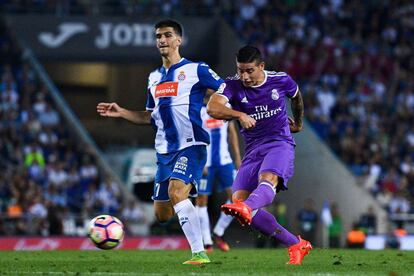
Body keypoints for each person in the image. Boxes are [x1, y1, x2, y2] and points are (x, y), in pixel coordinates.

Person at [97, 19, 225, 265]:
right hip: (164, 151)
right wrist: (122, 112)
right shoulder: (154, 78)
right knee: (163, 214)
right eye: (158, 36)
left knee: (177, 192)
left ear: (178, 40)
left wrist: (236, 110)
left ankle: (200, 254)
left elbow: (226, 89)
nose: (162, 40)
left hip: (192, 144)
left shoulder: (197, 70)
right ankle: (189, 193)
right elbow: (149, 117)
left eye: (167, 35)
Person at [207, 45, 311, 265]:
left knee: (268, 180)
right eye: (240, 70)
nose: (244, 76)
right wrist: (239, 114)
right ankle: (296, 244)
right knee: (239, 201)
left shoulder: (280, 80)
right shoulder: (232, 85)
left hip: (279, 143)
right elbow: (212, 108)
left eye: (249, 71)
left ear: (261, 66)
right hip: (253, 150)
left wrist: (299, 123)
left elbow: (296, 97)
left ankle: (248, 206)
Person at [196, 98, 241, 252]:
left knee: (238, 199)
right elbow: (194, 137)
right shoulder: (198, 109)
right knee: (201, 201)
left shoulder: (226, 106)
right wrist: (199, 161)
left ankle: (218, 232)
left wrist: (238, 159)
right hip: (206, 163)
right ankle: (207, 242)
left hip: (224, 161)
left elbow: (232, 133)